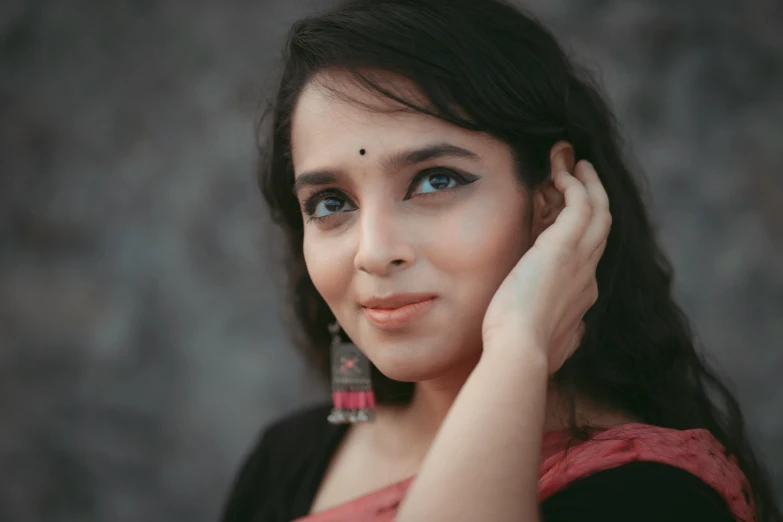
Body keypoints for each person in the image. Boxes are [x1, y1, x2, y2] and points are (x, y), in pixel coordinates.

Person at [220, 0, 782, 520]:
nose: (373, 251)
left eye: (435, 180)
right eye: (331, 202)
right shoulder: (286, 459)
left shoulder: (651, 497)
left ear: (549, 198)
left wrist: (519, 344)